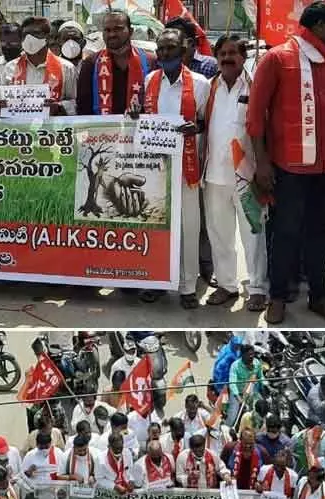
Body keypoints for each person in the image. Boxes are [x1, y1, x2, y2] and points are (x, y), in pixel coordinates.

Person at [247, 2, 325, 324]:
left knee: (322, 231)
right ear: (319, 26)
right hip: (290, 167)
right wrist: (262, 163)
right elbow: (255, 115)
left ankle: (319, 295)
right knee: (286, 231)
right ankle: (277, 296)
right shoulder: (277, 57)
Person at [135, 27, 208, 308]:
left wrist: (195, 128)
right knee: (158, 228)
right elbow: (145, 118)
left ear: (184, 49)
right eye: (161, 49)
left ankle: (188, 286)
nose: (165, 53)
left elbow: (205, 122)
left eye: (171, 48)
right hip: (156, 167)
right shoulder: (150, 79)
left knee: (188, 228)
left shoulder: (200, 84)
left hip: (186, 166)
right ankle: (158, 282)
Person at [77, 11, 154, 116]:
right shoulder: (91, 63)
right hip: (102, 130)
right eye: (107, 30)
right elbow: (83, 108)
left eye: (118, 29)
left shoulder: (150, 61)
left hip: (141, 129)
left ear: (130, 31)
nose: (112, 34)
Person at [0, 17, 76, 116]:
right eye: (25, 35)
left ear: (47, 38)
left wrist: (59, 106)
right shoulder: (10, 68)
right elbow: (0, 103)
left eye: (35, 34)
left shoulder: (66, 68)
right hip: (19, 128)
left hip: (52, 128)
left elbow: (76, 103)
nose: (29, 38)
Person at [228, 345, 265, 427]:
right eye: (249, 355)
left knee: (262, 408)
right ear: (243, 355)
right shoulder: (235, 366)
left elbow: (261, 376)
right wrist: (239, 399)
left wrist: (267, 385)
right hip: (238, 393)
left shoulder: (256, 363)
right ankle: (227, 430)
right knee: (232, 416)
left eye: (253, 354)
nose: (252, 356)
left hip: (251, 391)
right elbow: (232, 383)